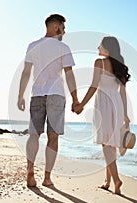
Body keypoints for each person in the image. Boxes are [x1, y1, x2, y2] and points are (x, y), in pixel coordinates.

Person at [17, 14, 80, 187]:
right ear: (55, 26)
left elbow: (26, 72)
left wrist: (20, 95)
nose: (64, 32)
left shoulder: (33, 45)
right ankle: (47, 178)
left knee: (34, 135)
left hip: (37, 94)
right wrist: (75, 99)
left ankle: (30, 170)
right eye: (63, 28)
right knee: (53, 137)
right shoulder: (63, 47)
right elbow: (69, 74)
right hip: (56, 95)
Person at [73, 36, 131, 194]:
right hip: (117, 104)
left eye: (100, 45)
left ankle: (117, 180)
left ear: (107, 47)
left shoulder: (99, 62)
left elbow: (93, 86)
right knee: (110, 144)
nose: (98, 47)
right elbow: (123, 93)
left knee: (106, 144)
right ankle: (108, 181)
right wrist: (125, 114)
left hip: (104, 103)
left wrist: (81, 105)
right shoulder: (121, 66)